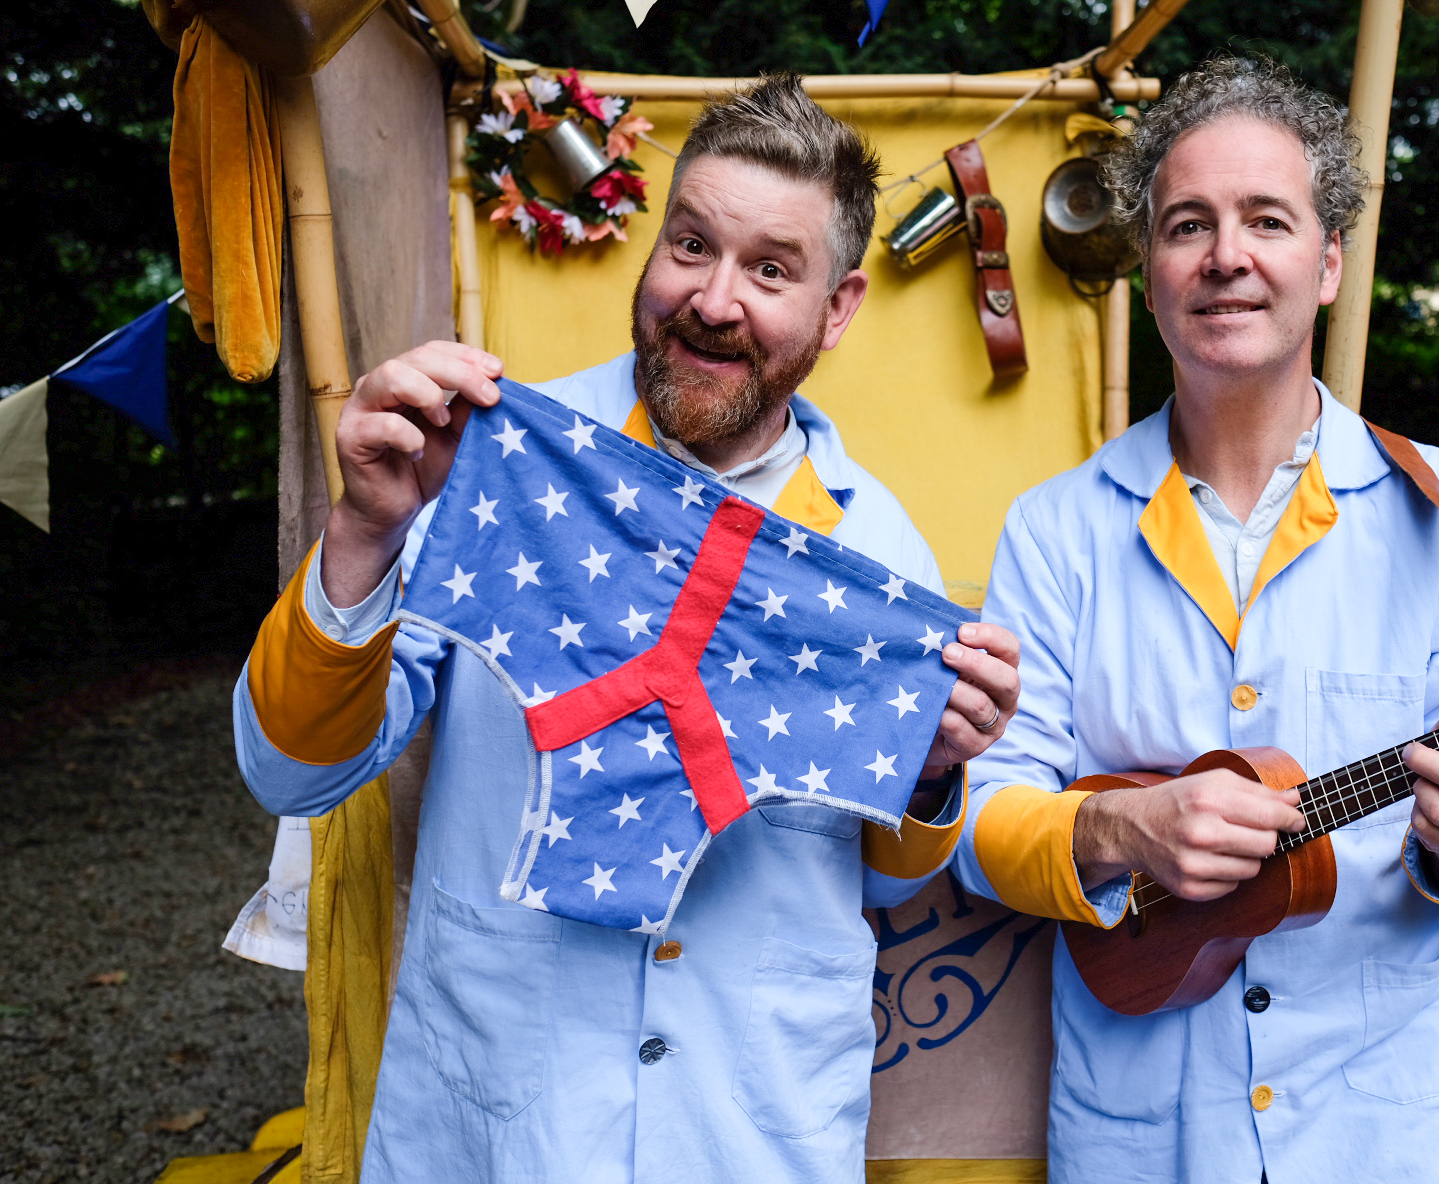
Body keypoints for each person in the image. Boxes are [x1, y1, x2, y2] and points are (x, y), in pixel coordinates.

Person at [235, 75, 1020, 1183]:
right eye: (691, 245)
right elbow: (288, 773)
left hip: (748, 1129)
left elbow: (885, 881)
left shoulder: (876, 548)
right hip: (506, 1114)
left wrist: (935, 773)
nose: (715, 298)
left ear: (838, 308)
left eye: (771, 270)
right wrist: (365, 529)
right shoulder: (492, 466)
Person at [952, 57, 1439, 1182]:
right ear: (1147, 267)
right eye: (1189, 224)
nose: (1226, 255)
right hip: (1145, 1135)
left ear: (1327, 264)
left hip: (1391, 1129)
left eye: (1266, 220)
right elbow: (981, 819)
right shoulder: (1055, 529)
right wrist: (1117, 831)